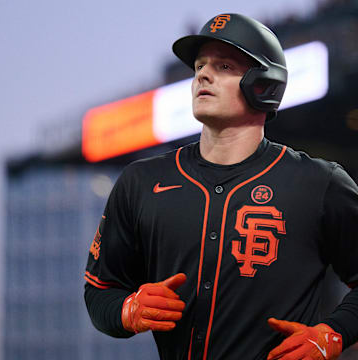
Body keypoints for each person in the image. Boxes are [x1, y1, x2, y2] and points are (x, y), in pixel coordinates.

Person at [84, 13, 358, 360]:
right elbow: (99, 292)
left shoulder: (319, 183)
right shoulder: (141, 181)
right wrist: (127, 310)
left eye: (224, 66)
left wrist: (334, 333)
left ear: (264, 83)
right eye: (199, 65)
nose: (202, 74)